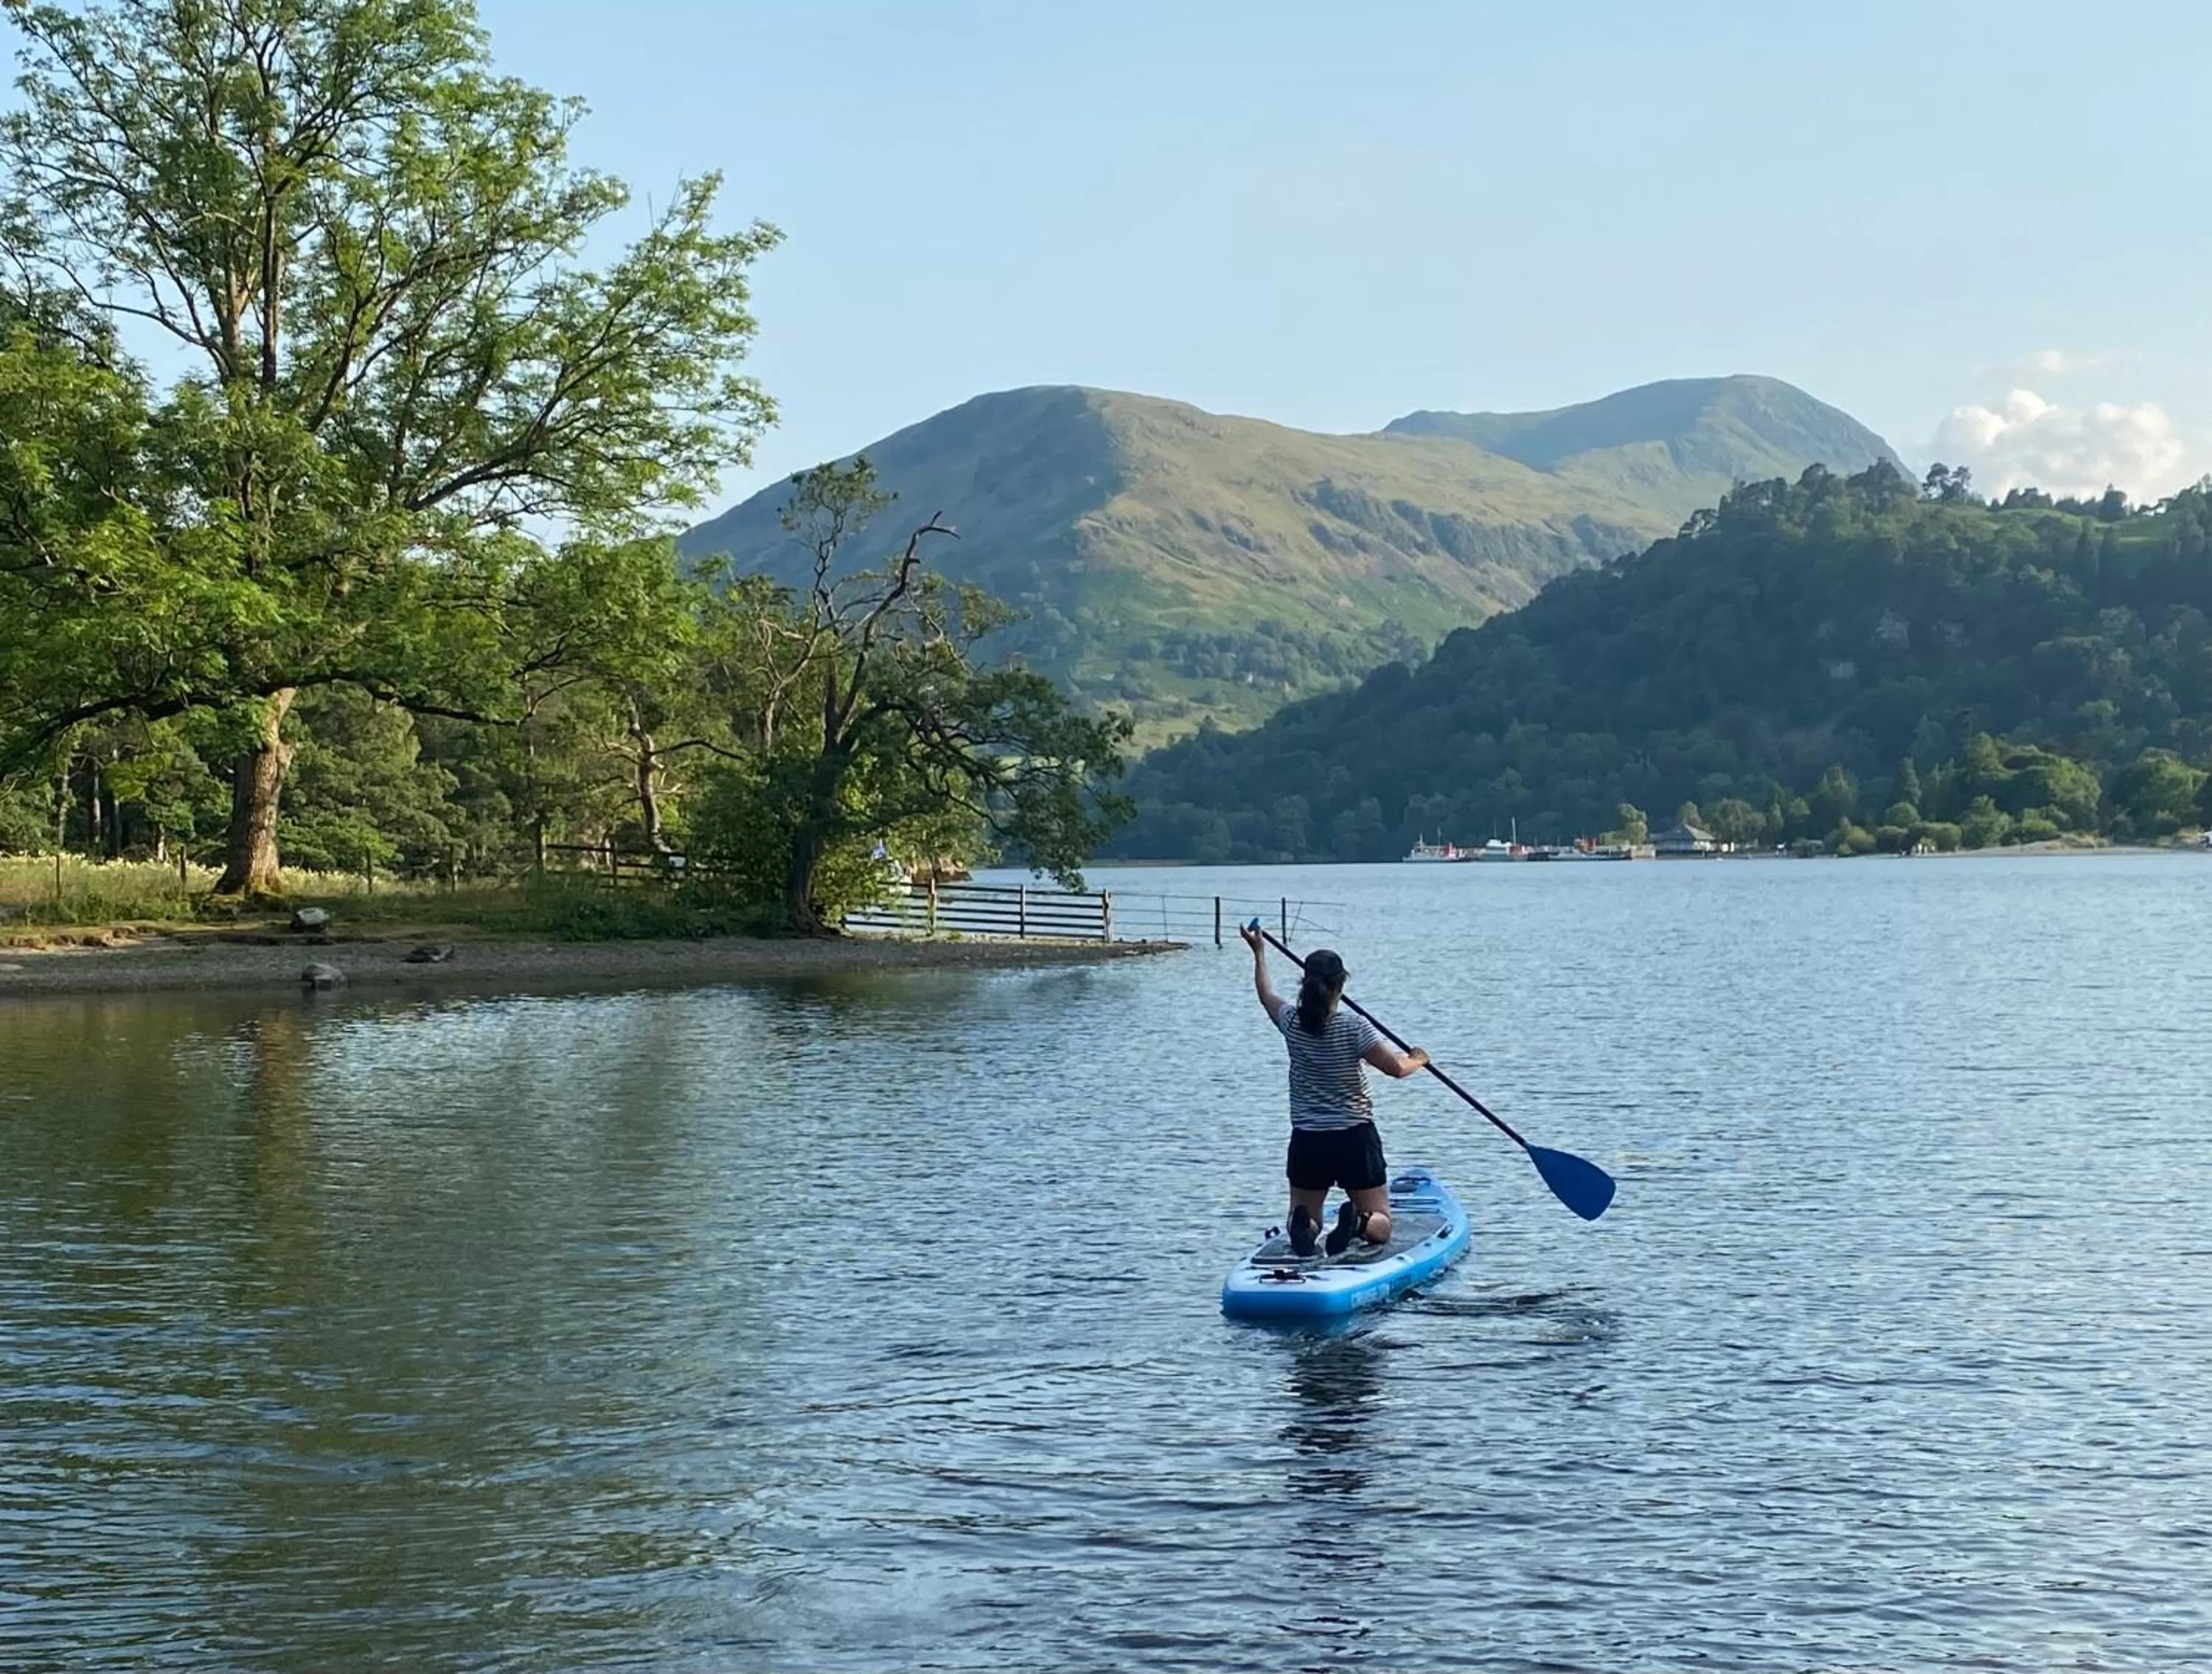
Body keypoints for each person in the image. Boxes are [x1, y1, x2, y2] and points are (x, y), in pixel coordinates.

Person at [1241, 925, 1429, 1257]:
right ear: (1340, 985)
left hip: (1308, 1139)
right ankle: (1360, 1223)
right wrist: (1418, 1059)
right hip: (1354, 1136)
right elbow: (1396, 1069)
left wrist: (1259, 954)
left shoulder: (1291, 1023)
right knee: (1382, 1222)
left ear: (1305, 984)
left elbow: (1265, 995)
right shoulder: (1354, 1026)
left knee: (1305, 1213)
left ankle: (1305, 1226)